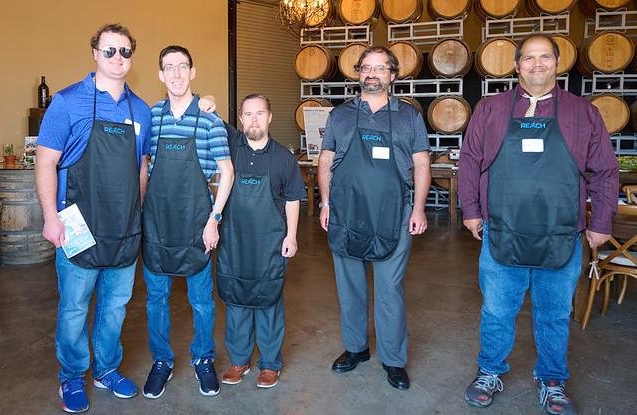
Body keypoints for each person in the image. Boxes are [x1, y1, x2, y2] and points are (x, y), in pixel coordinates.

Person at [458, 34, 619, 415]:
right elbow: (469, 161)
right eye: (528, 58)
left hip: (561, 233)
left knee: (554, 314)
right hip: (502, 231)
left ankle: (552, 380)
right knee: (497, 311)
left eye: (544, 57)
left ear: (557, 63)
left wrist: (602, 221)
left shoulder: (583, 112)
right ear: (516, 66)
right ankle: (490, 371)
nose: (536, 64)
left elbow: (605, 171)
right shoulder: (491, 109)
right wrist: (471, 210)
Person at [35, 23, 152, 413]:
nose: (118, 58)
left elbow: (141, 168)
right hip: (77, 225)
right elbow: (45, 162)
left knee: (115, 306)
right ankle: (71, 377)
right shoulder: (68, 101)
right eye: (109, 51)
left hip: (123, 228)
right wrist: (50, 217)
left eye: (125, 51)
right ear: (95, 55)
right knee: (74, 307)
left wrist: (136, 213)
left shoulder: (141, 110)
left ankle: (106, 370)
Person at [317, 46, 431, 390]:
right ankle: (356, 348)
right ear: (358, 73)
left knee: (389, 289)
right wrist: (325, 203)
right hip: (346, 212)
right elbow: (325, 161)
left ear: (392, 75)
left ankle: (393, 360)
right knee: (349, 286)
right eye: (366, 67)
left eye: (380, 68)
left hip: (394, 213)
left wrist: (418, 208)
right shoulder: (340, 115)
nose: (372, 74)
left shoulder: (409, 116)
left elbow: (422, 164)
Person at [141, 45, 234, 399]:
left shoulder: (209, 120)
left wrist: (214, 219)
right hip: (157, 223)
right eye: (169, 67)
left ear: (193, 72)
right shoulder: (152, 116)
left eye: (183, 66)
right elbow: (143, 165)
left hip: (197, 222)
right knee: (156, 298)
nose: (176, 74)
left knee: (201, 300)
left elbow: (227, 172)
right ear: (160, 75)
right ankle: (161, 361)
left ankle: (203, 358)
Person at [216, 94, 305, 389]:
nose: (254, 120)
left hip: (270, 243)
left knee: (269, 301)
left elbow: (292, 198)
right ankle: (239, 360)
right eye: (248, 114)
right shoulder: (231, 147)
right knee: (236, 299)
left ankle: (269, 363)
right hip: (234, 241)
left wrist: (291, 235)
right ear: (241, 119)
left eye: (259, 114)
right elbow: (208, 113)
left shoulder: (284, 158)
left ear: (269, 117)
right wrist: (206, 101)